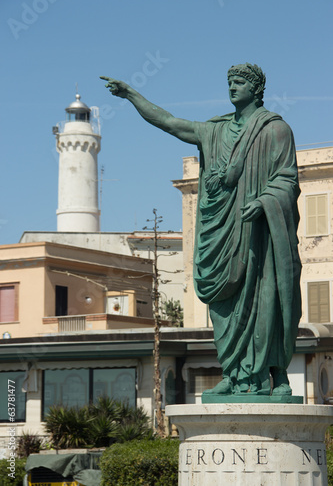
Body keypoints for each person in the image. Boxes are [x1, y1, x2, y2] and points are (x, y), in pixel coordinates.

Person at [101, 63, 302, 396]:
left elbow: (287, 179)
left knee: (268, 301)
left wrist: (266, 200)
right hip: (223, 236)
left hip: (260, 236)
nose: (232, 87)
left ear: (256, 88)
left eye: (239, 82)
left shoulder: (276, 130)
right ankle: (235, 373)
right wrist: (132, 95)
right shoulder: (214, 131)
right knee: (225, 308)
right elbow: (169, 123)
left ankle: (274, 373)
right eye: (229, 82)